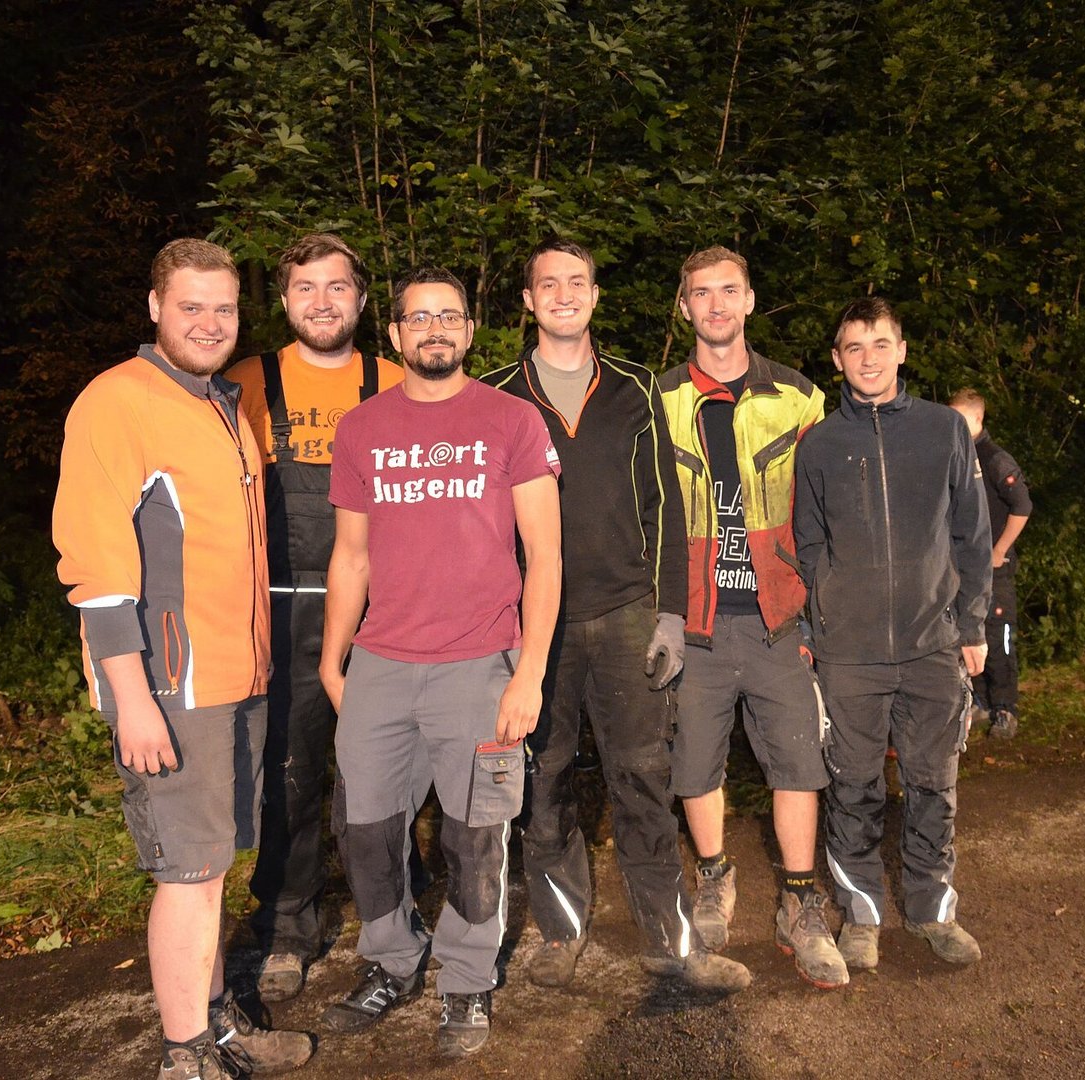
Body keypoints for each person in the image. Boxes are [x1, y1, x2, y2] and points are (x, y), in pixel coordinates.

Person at [52, 239, 314, 1080]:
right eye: (191, 306)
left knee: (215, 866)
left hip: (239, 677)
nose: (209, 323)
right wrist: (131, 698)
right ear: (155, 307)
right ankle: (185, 1052)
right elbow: (95, 570)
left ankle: (215, 1024)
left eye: (223, 308)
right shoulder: (117, 401)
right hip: (173, 687)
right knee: (190, 872)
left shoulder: (219, 400)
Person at [483, 238, 751, 993]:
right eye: (548, 284)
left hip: (628, 612)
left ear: (596, 296)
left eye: (578, 282)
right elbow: (482, 523)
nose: (564, 294)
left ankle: (671, 940)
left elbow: (665, 506)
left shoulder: (635, 388)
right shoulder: (496, 396)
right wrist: (497, 627)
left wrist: (670, 613)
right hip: (536, 626)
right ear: (528, 301)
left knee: (642, 777)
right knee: (544, 779)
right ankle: (561, 930)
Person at [317, 267, 562, 1058]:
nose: (435, 329)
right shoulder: (361, 427)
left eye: (449, 317)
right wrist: (332, 662)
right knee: (364, 831)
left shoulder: (511, 420)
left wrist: (528, 674)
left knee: (475, 838)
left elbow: (545, 556)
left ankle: (465, 979)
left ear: (469, 330)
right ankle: (392, 961)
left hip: (481, 666)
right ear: (394, 334)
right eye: (418, 318)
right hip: (380, 665)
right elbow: (350, 556)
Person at [656, 246, 848, 989]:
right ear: (684, 307)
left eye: (728, 290)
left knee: (798, 763)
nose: (716, 304)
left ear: (749, 300)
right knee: (693, 762)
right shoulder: (660, 399)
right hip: (696, 622)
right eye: (701, 293)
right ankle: (713, 878)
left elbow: (827, 511)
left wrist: (820, 610)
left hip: (777, 617)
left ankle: (800, 902)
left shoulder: (798, 397)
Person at [226, 234, 403, 1002]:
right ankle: (288, 924)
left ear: (361, 300)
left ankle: (388, 920)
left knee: (381, 775)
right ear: (284, 300)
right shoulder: (244, 383)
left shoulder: (394, 383)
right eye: (305, 287)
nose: (322, 302)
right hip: (280, 609)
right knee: (288, 777)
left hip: (382, 609)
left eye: (337, 287)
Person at [794, 296, 992, 972]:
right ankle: (862, 916)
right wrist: (821, 621)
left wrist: (970, 624)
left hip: (932, 643)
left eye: (880, 344)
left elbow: (971, 534)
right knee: (853, 788)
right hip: (848, 656)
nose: (868, 358)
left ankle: (933, 911)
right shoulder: (820, 444)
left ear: (902, 351)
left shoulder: (944, 430)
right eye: (854, 347)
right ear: (837, 359)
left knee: (932, 786)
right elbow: (808, 544)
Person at [949, 389, 1032, 739]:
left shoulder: (995, 459)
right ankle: (979, 702)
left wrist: (1000, 551)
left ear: (977, 418)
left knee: (999, 639)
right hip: (966, 570)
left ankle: (1005, 708)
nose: (952, 425)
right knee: (970, 634)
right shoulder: (955, 456)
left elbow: (1022, 507)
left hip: (996, 571)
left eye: (959, 419)